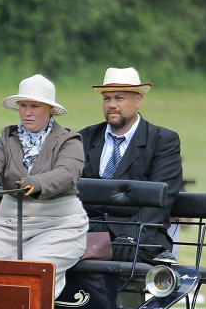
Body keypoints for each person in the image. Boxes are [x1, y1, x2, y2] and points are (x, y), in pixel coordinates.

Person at [0, 74, 88, 299]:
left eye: (35, 106)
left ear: (50, 109)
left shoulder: (69, 141)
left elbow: (68, 173)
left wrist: (38, 183)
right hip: (9, 224)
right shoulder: (6, 139)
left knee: (31, 270)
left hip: (58, 225)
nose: (27, 112)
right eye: (23, 105)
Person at [78, 67, 182, 264]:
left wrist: (130, 235)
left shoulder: (162, 141)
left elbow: (162, 198)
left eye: (119, 98)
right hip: (87, 234)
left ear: (139, 99)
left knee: (121, 257)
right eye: (106, 99)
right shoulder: (84, 137)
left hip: (140, 236)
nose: (111, 105)